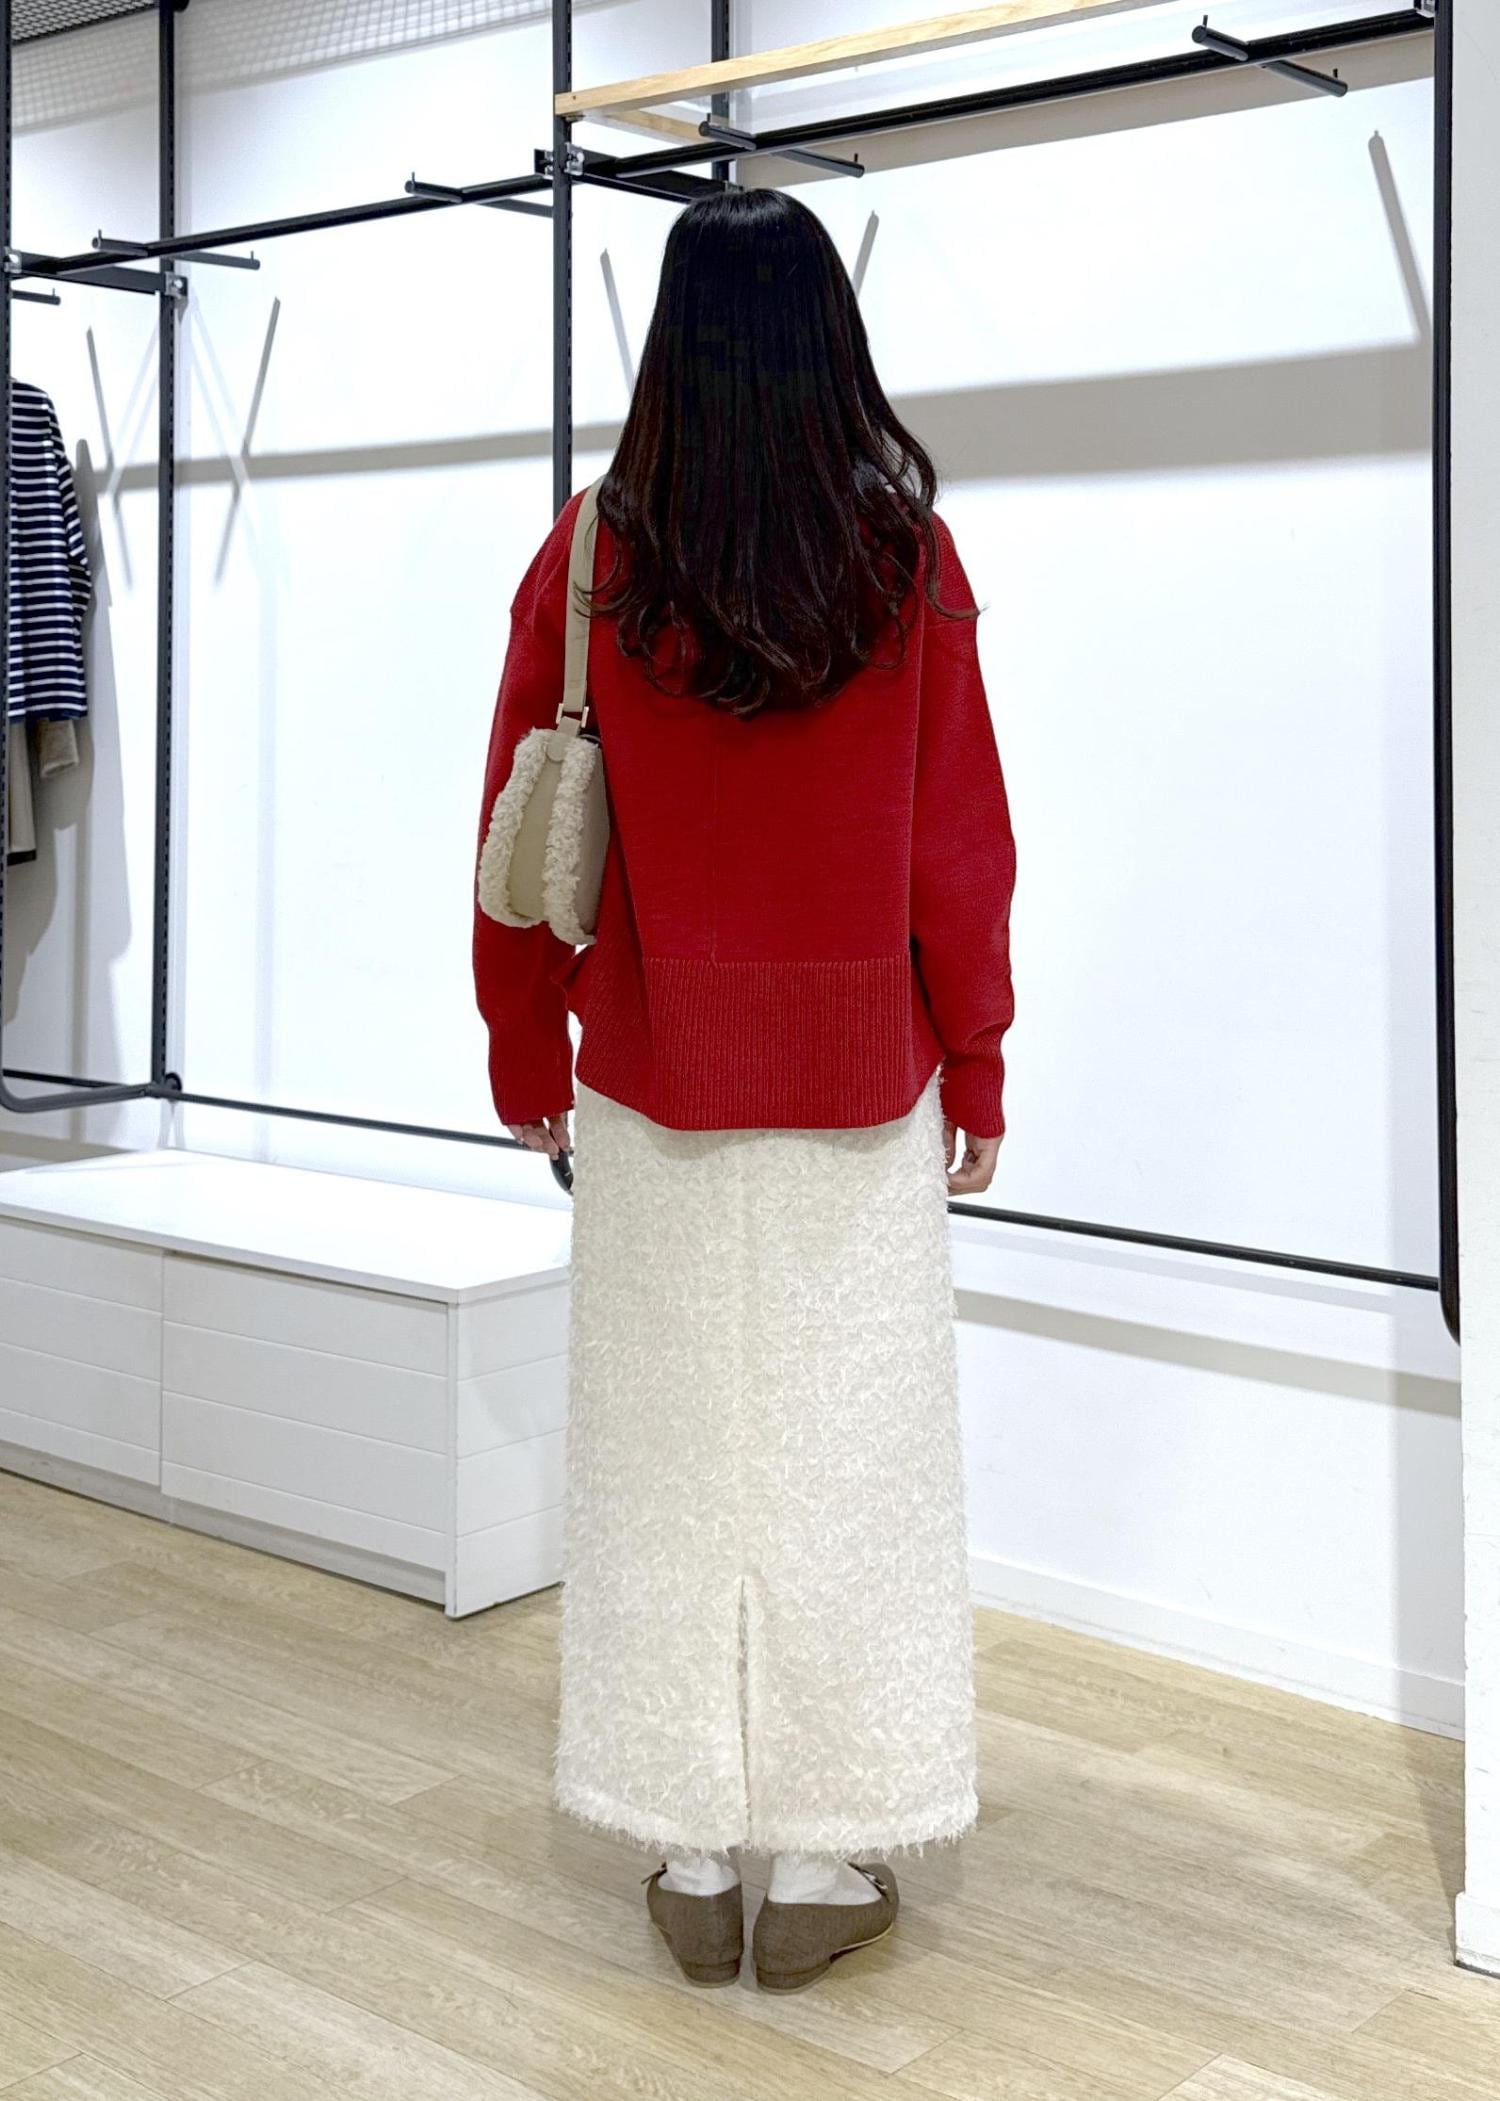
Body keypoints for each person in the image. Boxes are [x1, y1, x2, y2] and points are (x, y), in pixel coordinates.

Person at [472, 186, 1016, 1995]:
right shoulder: (904, 559)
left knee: (663, 1462)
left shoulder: (590, 558)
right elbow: (958, 840)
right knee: (855, 1469)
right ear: (827, 336)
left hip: (650, 1085)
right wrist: (981, 1052)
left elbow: (516, 831)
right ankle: (826, 1858)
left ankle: (693, 1849)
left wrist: (520, 1046)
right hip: (861, 1089)